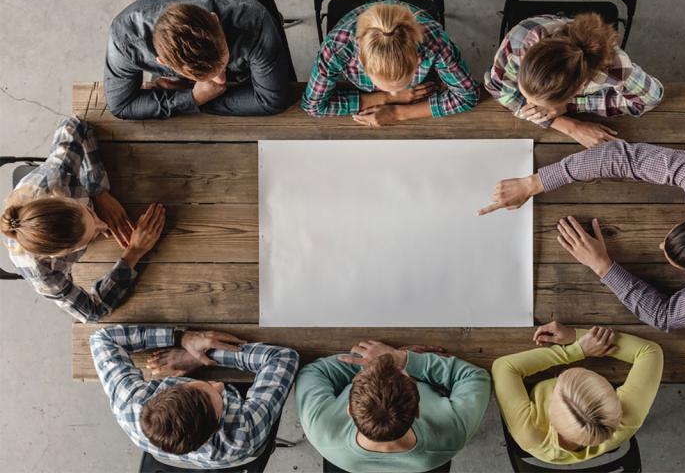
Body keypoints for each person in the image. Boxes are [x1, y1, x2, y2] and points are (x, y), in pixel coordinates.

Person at [478, 141, 685, 330]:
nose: (660, 243)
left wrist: (603, 267)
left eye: (669, 255)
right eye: (669, 239)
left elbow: (664, 316)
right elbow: (629, 158)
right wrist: (534, 183)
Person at [0, 116, 164, 322]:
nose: (103, 225)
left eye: (91, 214)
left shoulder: (54, 177)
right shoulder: (45, 276)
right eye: (92, 235)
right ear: (62, 255)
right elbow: (92, 312)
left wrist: (98, 191)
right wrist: (134, 253)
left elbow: (75, 124)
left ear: (62, 198)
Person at [90, 325, 299, 469]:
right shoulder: (245, 430)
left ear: (167, 389)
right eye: (220, 399)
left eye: (205, 385)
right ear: (215, 428)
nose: (219, 385)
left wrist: (182, 338)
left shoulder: (129, 406)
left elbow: (101, 339)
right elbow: (283, 357)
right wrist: (202, 356)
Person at [295, 341, 491, 472]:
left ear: (349, 410)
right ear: (418, 410)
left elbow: (312, 372)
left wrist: (371, 362)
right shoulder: (452, 433)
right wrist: (404, 359)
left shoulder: (320, 429)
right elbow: (475, 377)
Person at [492, 321, 663, 465]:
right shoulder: (628, 417)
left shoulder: (529, 432)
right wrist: (574, 335)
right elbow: (650, 351)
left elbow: (503, 367)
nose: (558, 377)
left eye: (558, 382)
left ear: (551, 414)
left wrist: (576, 349)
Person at [485, 13, 663, 148]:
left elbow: (650, 98)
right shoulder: (519, 41)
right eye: (526, 95)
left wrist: (569, 107)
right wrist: (569, 125)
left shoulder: (615, 69)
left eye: (534, 103)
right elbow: (497, 87)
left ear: (580, 88)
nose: (529, 107)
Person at [105, 0, 290, 119]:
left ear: (214, 19)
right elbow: (121, 106)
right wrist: (193, 98)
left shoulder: (255, 22)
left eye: (223, 61)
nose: (221, 80)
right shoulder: (124, 39)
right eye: (200, 76)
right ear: (163, 63)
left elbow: (272, 101)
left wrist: (190, 99)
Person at [301, 0, 480, 127]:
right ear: (361, 63)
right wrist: (386, 98)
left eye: (398, 87)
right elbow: (313, 105)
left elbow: (468, 95)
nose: (397, 92)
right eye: (388, 88)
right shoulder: (336, 47)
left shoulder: (434, 39)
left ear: (418, 62)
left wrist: (397, 113)